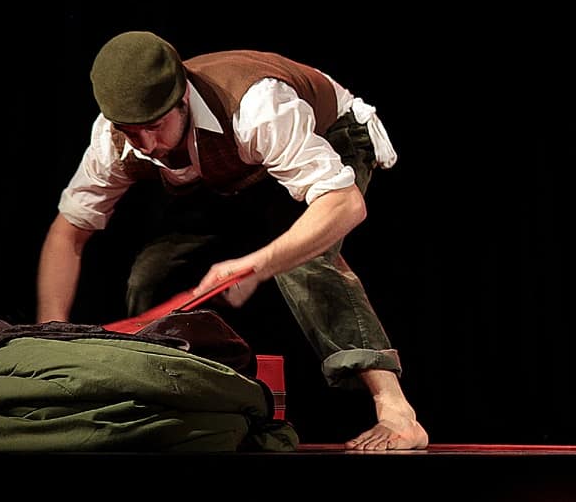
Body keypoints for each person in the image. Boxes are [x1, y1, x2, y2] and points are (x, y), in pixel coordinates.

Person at [36, 30, 428, 450]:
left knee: (303, 260)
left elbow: (344, 204)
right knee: (152, 274)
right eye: (132, 132)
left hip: (331, 138)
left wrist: (257, 265)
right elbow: (68, 232)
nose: (148, 146)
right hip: (235, 175)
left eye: (154, 127)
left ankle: (397, 411)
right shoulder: (110, 139)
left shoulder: (258, 105)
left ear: (183, 99)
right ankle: (158, 404)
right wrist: (49, 335)